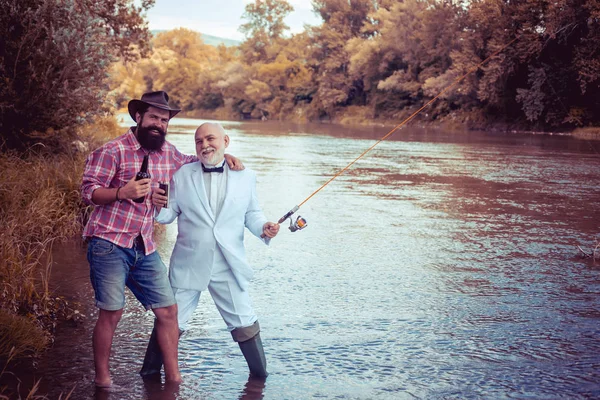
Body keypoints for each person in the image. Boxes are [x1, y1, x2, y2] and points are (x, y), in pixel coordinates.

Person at [81, 91, 243, 389]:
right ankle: (103, 381)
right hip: (108, 243)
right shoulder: (113, 150)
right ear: (138, 117)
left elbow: (198, 160)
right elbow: (88, 192)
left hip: (144, 245)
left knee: (169, 311)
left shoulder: (168, 153)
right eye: (153, 117)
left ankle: (174, 380)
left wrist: (225, 156)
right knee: (112, 312)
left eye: (164, 120)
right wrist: (121, 192)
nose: (159, 124)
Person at [140, 122, 279, 379]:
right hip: (189, 262)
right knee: (171, 321)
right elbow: (169, 215)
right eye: (199, 141)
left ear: (226, 141)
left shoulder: (246, 176)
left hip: (228, 263)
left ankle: (260, 379)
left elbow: (252, 213)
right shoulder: (183, 174)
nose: (205, 145)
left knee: (244, 321)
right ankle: (148, 376)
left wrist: (264, 227)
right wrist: (159, 206)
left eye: (211, 139)